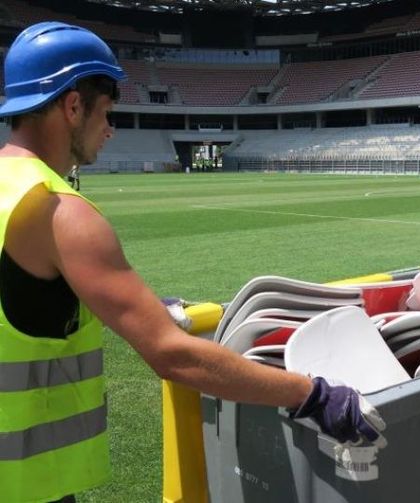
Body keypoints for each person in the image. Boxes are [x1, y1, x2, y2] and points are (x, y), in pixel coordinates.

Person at [0, 22, 382, 503]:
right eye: (107, 113)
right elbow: (173, 355)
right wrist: (312, 395)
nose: (111, 130)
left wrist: (89, 295)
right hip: (25, 483)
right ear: (73, 106)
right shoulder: (62, 212)